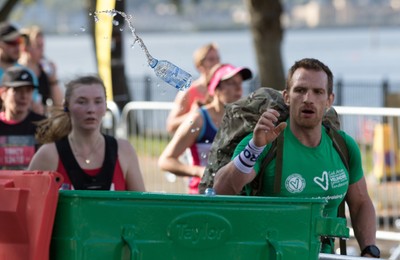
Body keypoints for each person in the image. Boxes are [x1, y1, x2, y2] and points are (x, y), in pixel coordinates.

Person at [213, 58, 379, 257]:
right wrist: (254, 148)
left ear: (329, 100)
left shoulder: (344, 146)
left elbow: (360, 203)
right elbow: (221, 190)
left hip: (325, 255)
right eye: (300, 90)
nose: (308, 98)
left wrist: (370, 249)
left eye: (318, 92)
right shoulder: (263, 143)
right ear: (287, 97)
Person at [28, 75, 146, 191]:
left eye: (98, 101)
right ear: (66, 106)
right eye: (82, 102)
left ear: (105, 106)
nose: (91, 109)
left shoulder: (124, 151)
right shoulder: (49, 154)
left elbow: (142, 206)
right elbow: (30, 205)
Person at [159, 63, 252, 194]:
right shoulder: (198, 119)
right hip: (203, 195)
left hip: (232, 195)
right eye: (231, 83)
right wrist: (198, 171)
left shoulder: (242, 119)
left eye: (240, 83)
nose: (238, 88)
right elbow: (165, 160)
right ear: (215, 89)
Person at [166, 43, 220, 134]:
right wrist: (195, 114)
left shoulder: (222, 90)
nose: (216, 64)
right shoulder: (189, 91)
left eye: (218, 59)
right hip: (195, 145)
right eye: (211, 59)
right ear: (199, 65)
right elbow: (170, 125)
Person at [0, 66, 46, 170]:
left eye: (28, 90)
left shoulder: (43, 125)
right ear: (3, 93)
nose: (24, 96)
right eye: (18, 90)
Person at [19, 25, 63, 115]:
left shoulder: (45, 71)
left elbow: (59, 105)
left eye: (43, 46)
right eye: (38, 46)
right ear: (25, 47)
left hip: (41, 122)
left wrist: (53, 79)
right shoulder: (16, 72)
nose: (42, 50)